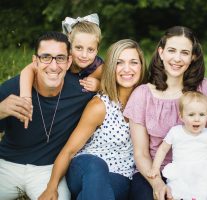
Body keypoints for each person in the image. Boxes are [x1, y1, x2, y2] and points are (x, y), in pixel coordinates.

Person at [123, 26, 207, 200]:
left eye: (184, 53)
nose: (177, 58)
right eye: (171, 51)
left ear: (193, 57)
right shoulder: (142, 95)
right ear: (161, 53)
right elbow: (141, 153)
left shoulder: (204, 89)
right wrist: (158, 184)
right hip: (154, 171)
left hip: (196, 172)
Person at [38, 39, 147, 200]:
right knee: (96, 166)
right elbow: (69, 151)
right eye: (119, 62)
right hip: (85, 167)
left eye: (133, 62)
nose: (127, 69)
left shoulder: (146, 102)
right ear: (111, 68)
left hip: (120, 175)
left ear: (141, 67)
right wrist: (51, 187)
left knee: (100, 193)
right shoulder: (100, 106)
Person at [0, 31, 94, 199]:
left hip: (48, 170)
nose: (53, 66)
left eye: (60, 58)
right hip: (6, 165)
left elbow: (116, 83)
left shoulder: (82, 90)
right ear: (35, 61)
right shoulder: (12, 89)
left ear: (69, 61)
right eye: (45, 57)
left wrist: (100, 82)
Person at [20, 13, 103, 128]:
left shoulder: (98, 66)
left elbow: (115, 86)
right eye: (78, 48)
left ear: (97, 50)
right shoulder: (60, 59)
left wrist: (100, 85)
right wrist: (25, 98)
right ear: (69, 45)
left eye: (90, 50)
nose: (84, 55)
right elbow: (28, 70)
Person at [147, 91, 207, 200]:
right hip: (181, 170)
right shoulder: (175, 132)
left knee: (203, 191)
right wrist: (155, 168)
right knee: (176, 192)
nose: (197, 119)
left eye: (202, 114)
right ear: (182, 116)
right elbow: (162, 150)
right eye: (191, 114)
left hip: (203, 171)